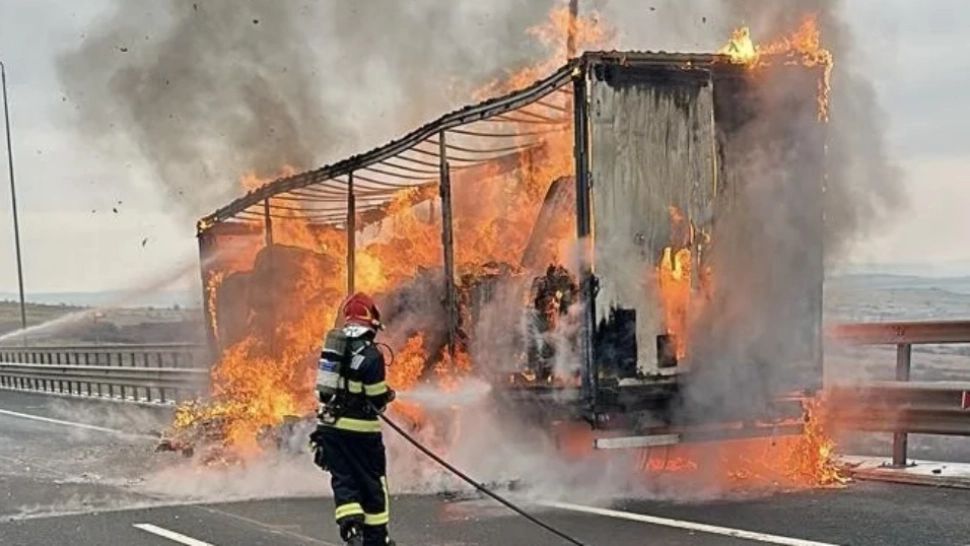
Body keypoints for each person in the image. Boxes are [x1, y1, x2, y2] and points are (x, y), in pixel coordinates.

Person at [310, 293, 396, 546]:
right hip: (362, 433)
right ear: (372, 322)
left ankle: (350, 527)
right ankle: (376, 540)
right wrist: (388, 394)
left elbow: (326, 390)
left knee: (344, 479)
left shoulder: (333, 348)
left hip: (330, 429)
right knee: (372, 485)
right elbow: (375, 398)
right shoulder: (371, 355)